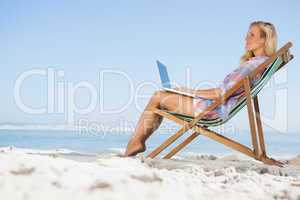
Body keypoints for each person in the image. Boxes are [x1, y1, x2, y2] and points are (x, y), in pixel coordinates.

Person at [124, 21, 278, 157]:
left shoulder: (251, 65)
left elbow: (220, 93)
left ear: (264, 40)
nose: (246, 38)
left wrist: (189, 91)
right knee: (163, 95)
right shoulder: (259, 64)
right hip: (214, 107)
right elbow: (225, 91)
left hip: (212, 110)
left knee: (158, 96)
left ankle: (136, 143)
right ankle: (137, 142)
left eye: (251, 35)